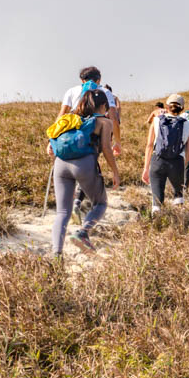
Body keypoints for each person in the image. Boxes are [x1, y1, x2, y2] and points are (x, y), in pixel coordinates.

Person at [49, 88, 120, 256]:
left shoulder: (69, 119)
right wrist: (115, 172)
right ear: (103, 105)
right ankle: (83, 232)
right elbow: (106, 149)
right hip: (85, 164)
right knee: (100, 203)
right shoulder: (104, 122)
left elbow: (52, 147)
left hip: (60, 165)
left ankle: (56, 254)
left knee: (62, 212)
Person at [142, 94, 189, 214]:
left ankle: (156, 221)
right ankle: (179, 223)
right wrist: (183, 163)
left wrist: (146, 168)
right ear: (182, 108)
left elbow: (149, 145)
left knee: (157, 198)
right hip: (177, 161)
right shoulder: (188, 124)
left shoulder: (156, 120)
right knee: (178, 195)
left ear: (167, 106)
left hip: (157, 160)